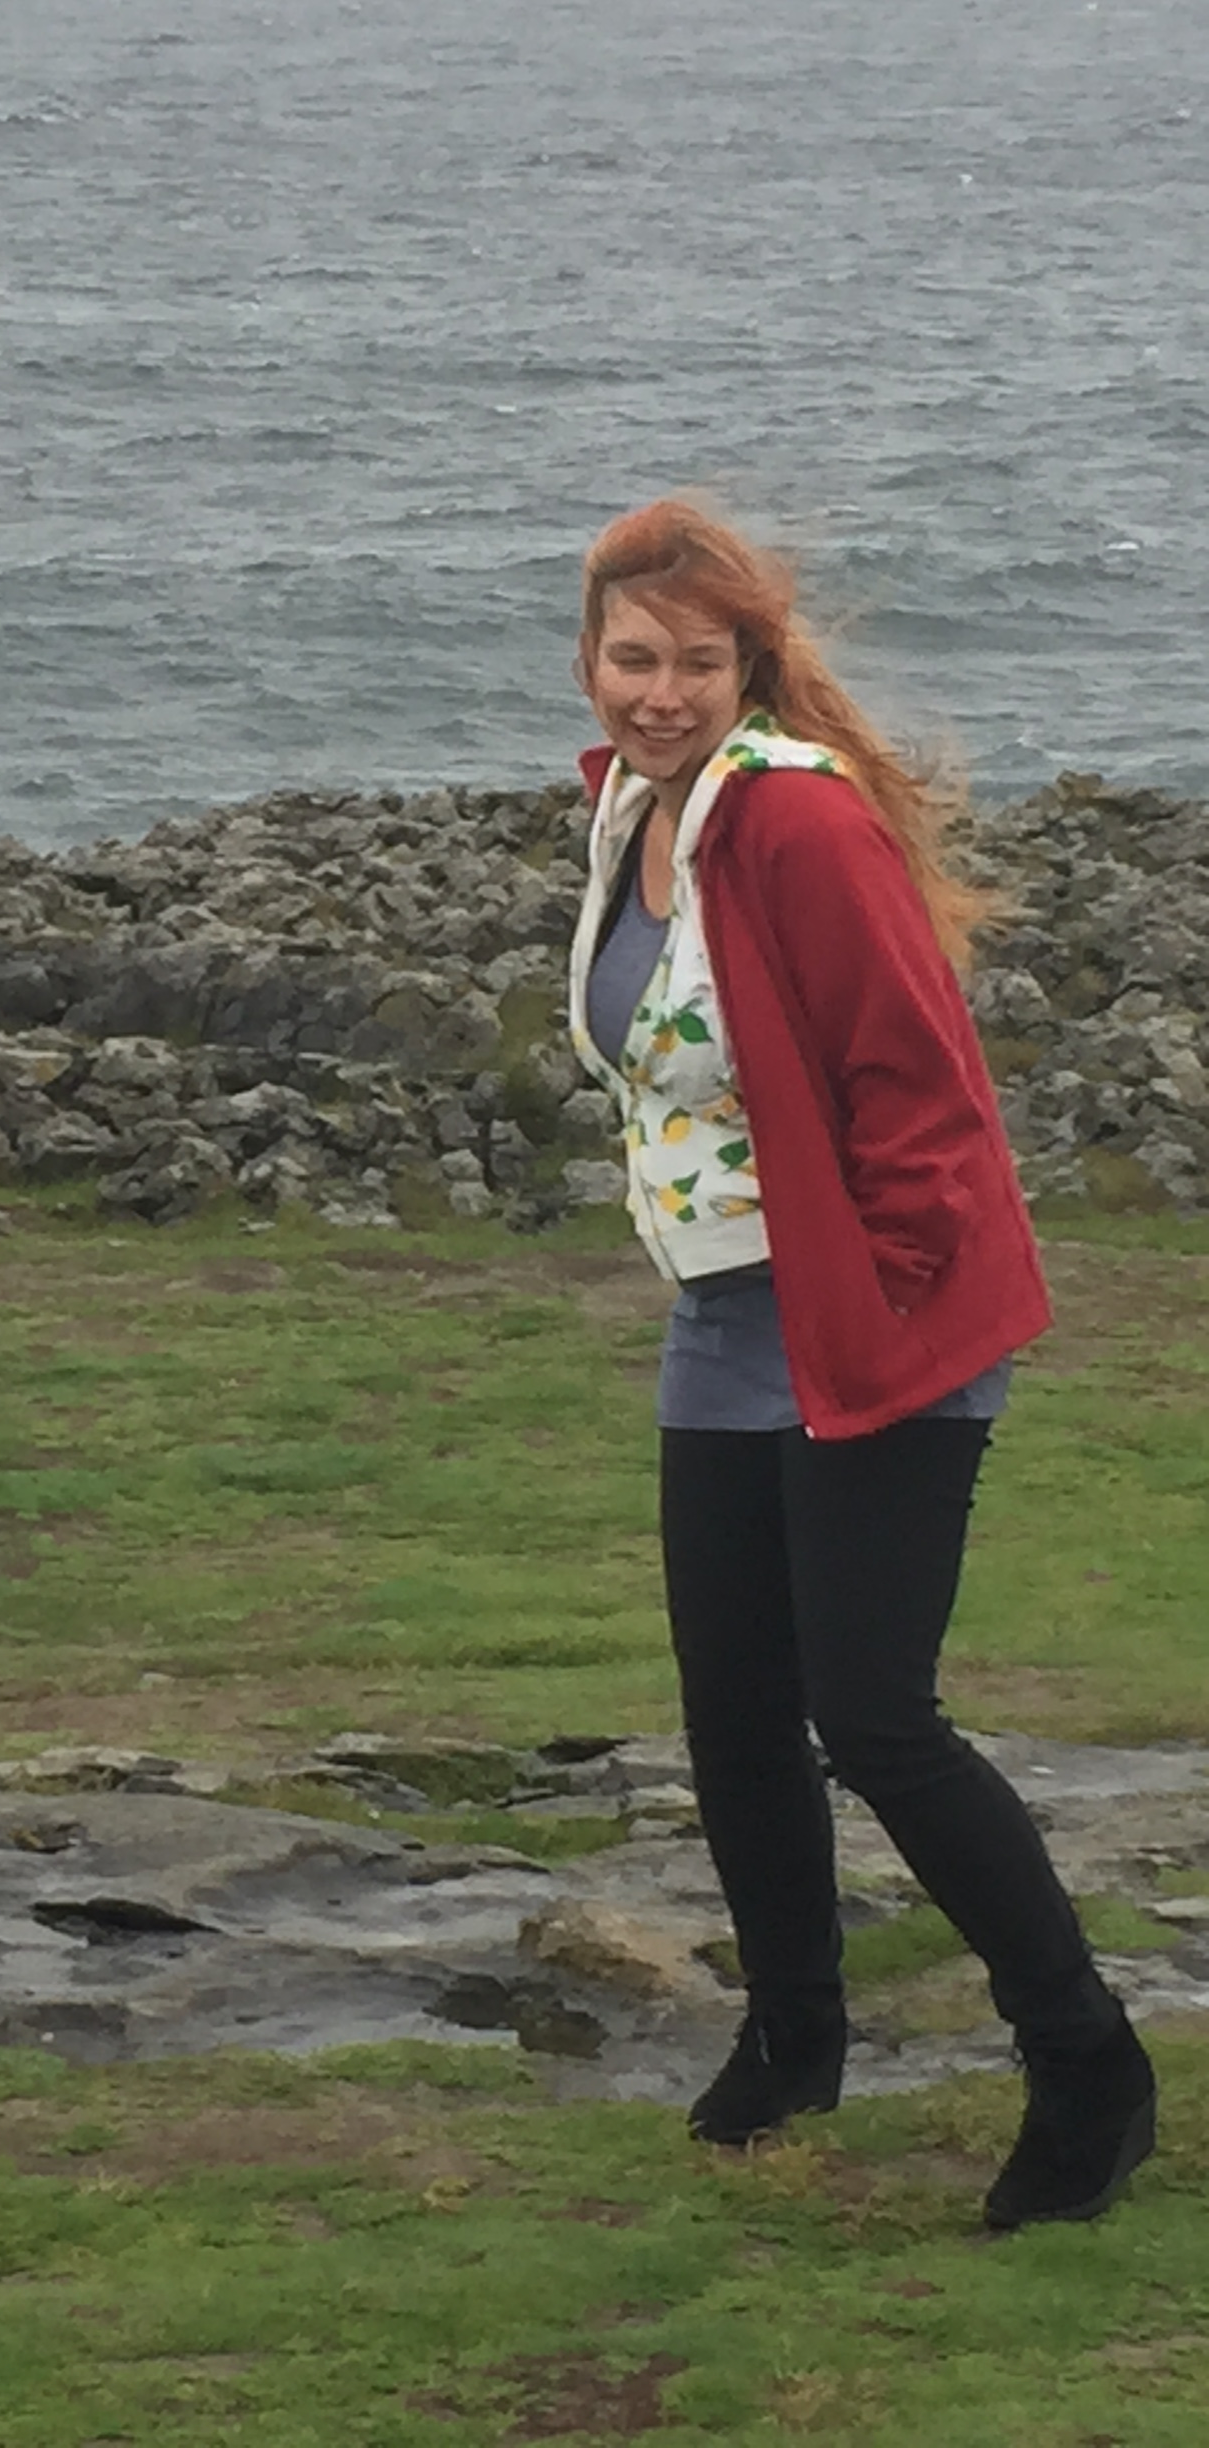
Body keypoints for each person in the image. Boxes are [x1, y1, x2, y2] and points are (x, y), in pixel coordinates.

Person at [563, 498, 1155, 2230]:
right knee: (737, 1713)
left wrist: (887, 1305)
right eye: (632, 658)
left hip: (873, 1326)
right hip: (723, 1321)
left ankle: (1088, 2068)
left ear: (748, 668)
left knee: (876, 1715)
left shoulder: (799, 823)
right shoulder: (634, 810)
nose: (660, 692)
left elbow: (922, 1087)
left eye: (696, 662)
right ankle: (794, 2036)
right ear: (589, 660)